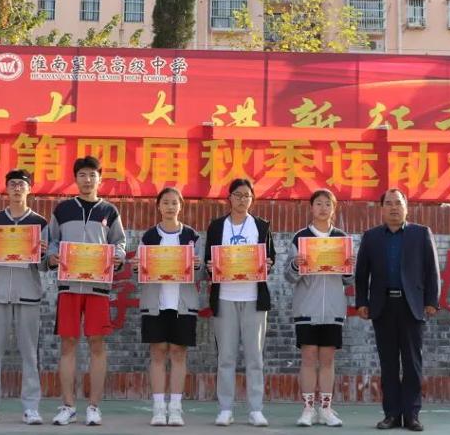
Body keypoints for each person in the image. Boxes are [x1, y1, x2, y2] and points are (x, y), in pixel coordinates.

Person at [46, 156, 127, 426]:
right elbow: (52, 242)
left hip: (98, 288)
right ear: (75, 178)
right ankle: (68, 405)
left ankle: (94, 406)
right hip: (68, 286)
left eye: (92, 175)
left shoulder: (109, 211)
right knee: (68, 344)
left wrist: (118, 256)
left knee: (97, 344)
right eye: (82, 174)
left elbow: (119, 243)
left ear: (100, 179)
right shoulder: (62, 209)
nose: (87, 179)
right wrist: (52, 256)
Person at [354, 189, 440, 432]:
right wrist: (362, 302)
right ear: (382, 208)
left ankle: (412, 415)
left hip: (411, 305)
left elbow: (432, 270)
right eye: (389, 203)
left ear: (406, 207)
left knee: (412, 363)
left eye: (398, 203)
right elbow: (362, 273)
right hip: (383, 307)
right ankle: (391, 414)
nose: (394, 207)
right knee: (389, 363)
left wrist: (431, 301)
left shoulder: (420, 233)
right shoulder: (371, 237)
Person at [0, 169, 49, 425]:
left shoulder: (40, 223)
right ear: (6, 189)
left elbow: (44, 266)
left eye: (22, 184)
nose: (17, 188)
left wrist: (42, 253)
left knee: (30, 353)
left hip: (28, 294)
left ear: (30, 189)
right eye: (13, 184)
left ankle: (31, 407)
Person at [204, 178, 276, 428]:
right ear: (229, 198)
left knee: (255, 357)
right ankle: (225, 408)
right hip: (225, 297)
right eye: (238, 195)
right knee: (226, 357)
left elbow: (271, 257)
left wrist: (268, 264)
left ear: (252, 199)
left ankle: (256, 409)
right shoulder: (217, 226)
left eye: (247, 195)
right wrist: (210, 266)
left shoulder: (261, 226)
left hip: (253, 298)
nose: (242, 199)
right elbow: (208, 259)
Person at [285, 189, 353, 427]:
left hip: (333, 309)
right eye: (319, 204)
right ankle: (307, 409)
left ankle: (325, 409)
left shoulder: (341, 238)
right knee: (308, 357)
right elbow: (289, 276)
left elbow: (348, 280)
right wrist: (295, 265)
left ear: (333, 209)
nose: (323, 208)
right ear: (311, 208)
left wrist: (349, 267)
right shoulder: (300, 237)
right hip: (306, 308)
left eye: (328, 204)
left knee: (327, 359)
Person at [136, 186, 203, 427]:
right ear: (158, 206)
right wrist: (138, 267)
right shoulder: (149, 237)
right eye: (165, 202)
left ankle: (175, 408)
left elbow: (203, 274)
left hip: (183, 305)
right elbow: (140, 272)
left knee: (178, 353)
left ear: (181, 206)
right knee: (157, 353)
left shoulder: (192, 237)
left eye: (174, 202)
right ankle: (158, 408)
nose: (170, 206)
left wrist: (197, 266)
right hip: (156, 304)